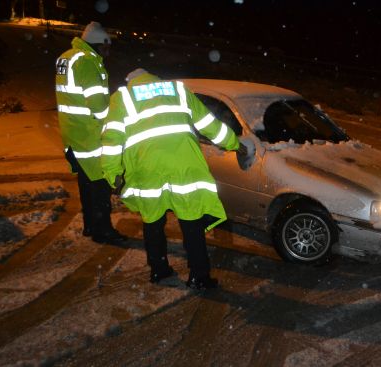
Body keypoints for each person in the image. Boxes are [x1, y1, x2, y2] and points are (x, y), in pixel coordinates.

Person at [101, 68, 247, 288]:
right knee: (191, 223)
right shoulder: (177, 90)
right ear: (153, 78)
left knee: (153, 221)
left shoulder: (122, 98)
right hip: (184, 167)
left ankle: (159, 270)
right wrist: (235, 144)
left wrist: (113, 175)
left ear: (131, 82)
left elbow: (111, 140)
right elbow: (210, 124)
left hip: (147, 171)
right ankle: (199, 276)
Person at [55, 21, 126, 244]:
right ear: (98, 44)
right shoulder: (86, 62)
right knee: (100, 186)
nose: (108, 52)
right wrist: (118, 117)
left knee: (86, 184)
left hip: (73, 133)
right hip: (89, 135)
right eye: (106, 48)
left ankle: (90, 226)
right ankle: (103, 230)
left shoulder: (67, 57)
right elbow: (99, 107)